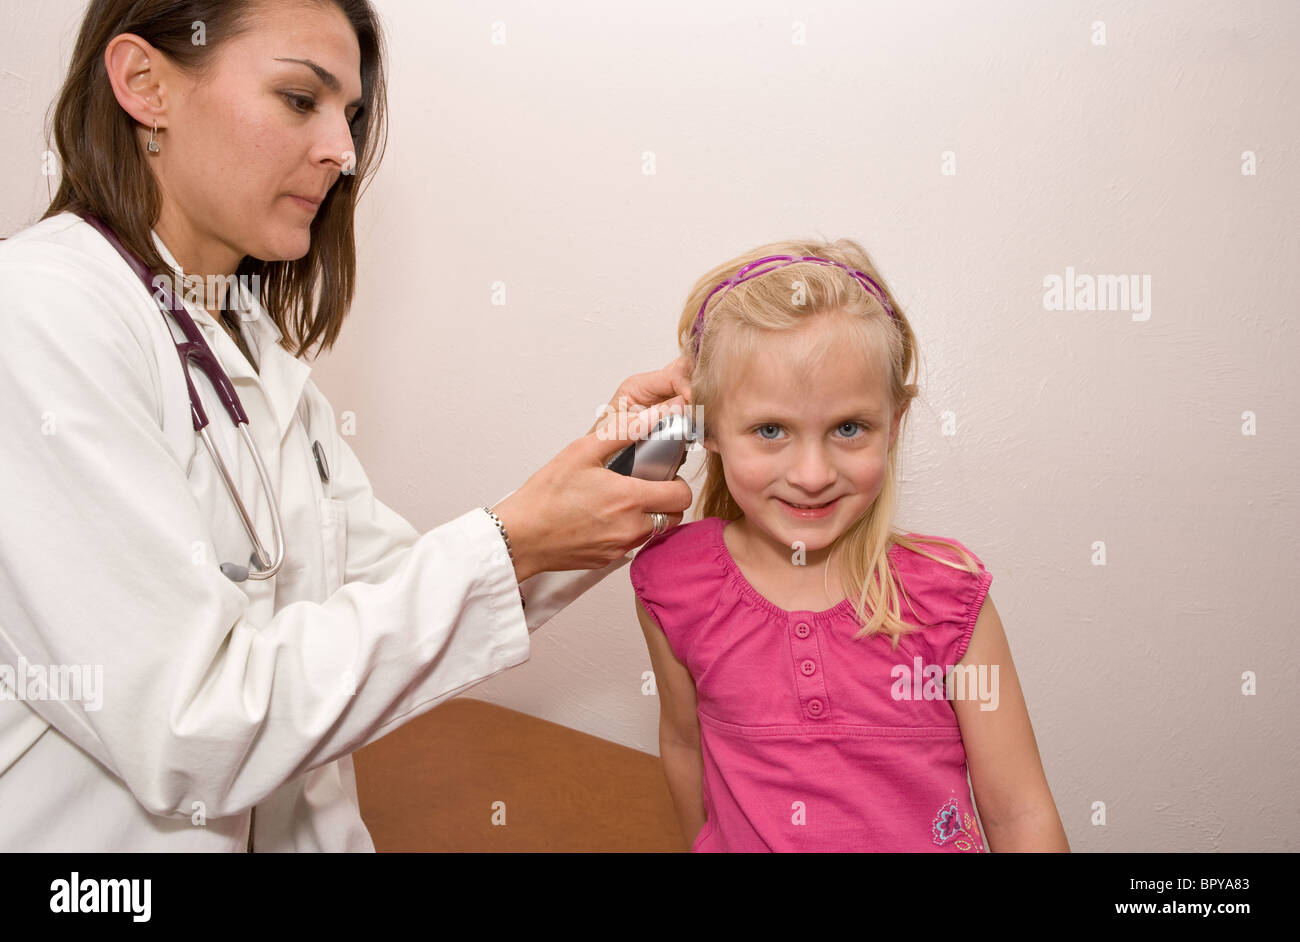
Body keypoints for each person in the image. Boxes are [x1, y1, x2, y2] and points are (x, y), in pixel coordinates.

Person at [0, 0, 692, 851]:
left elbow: (394, 594)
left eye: (350, 114)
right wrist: (519, 539)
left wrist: (628, 465)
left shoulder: (245, 348)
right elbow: (190, 728)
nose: (344, 150)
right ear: (146, 85)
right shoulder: (37, 316)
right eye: (301, 99)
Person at [630, 238, 1070, 852]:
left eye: (848, 428)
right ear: (707, 430)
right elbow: (683, 743)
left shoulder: (948, 593)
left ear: (895, 426)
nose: (812, 474)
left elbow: (1020, 813)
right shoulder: (674, 580)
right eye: (770, 429)